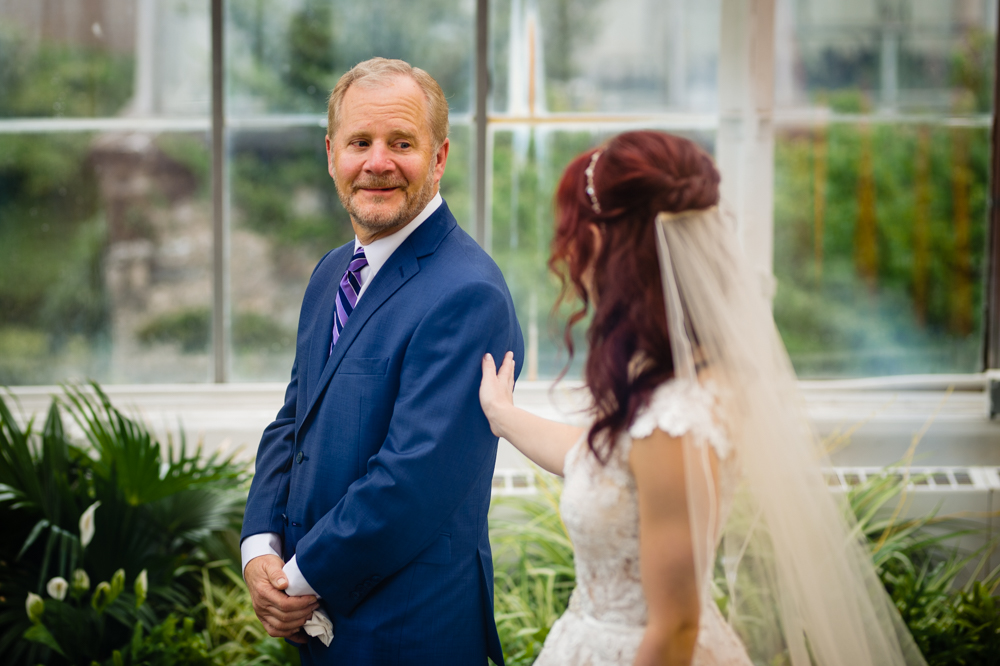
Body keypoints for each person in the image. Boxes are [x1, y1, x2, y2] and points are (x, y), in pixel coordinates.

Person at [479, 130, 927, 666]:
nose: (568, 252)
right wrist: (503, 416)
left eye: (575, 233)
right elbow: (600, 462)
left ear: (609, 244)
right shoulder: (665, 388)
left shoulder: (678, 420)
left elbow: (675, 630)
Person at [241, 57, 524, 666]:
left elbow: (411, 482)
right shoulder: (329, 275)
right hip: (319, 626)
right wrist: (259, 546)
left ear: (440, 157)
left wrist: (298, 578)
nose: (377, 163)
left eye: (402, 143)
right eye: (359, 142)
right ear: (330, 154)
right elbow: (293, 422)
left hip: (412, 635)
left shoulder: (468, 294)